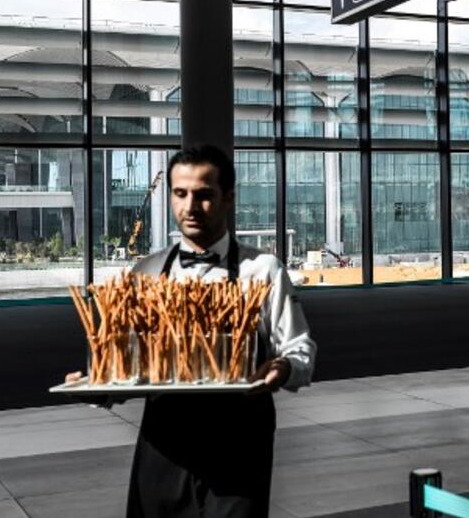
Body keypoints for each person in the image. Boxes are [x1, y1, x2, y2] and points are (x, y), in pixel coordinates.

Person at [76, 144, 316, 517]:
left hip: (240, 440)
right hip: (165, 440)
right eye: (180, 193)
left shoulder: (263, 270)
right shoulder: (147, 272)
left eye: (204, 195)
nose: (190, 207)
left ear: (228, 198)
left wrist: (282, 369)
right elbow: (124, 365)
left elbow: (300, 350)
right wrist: (97, 387)